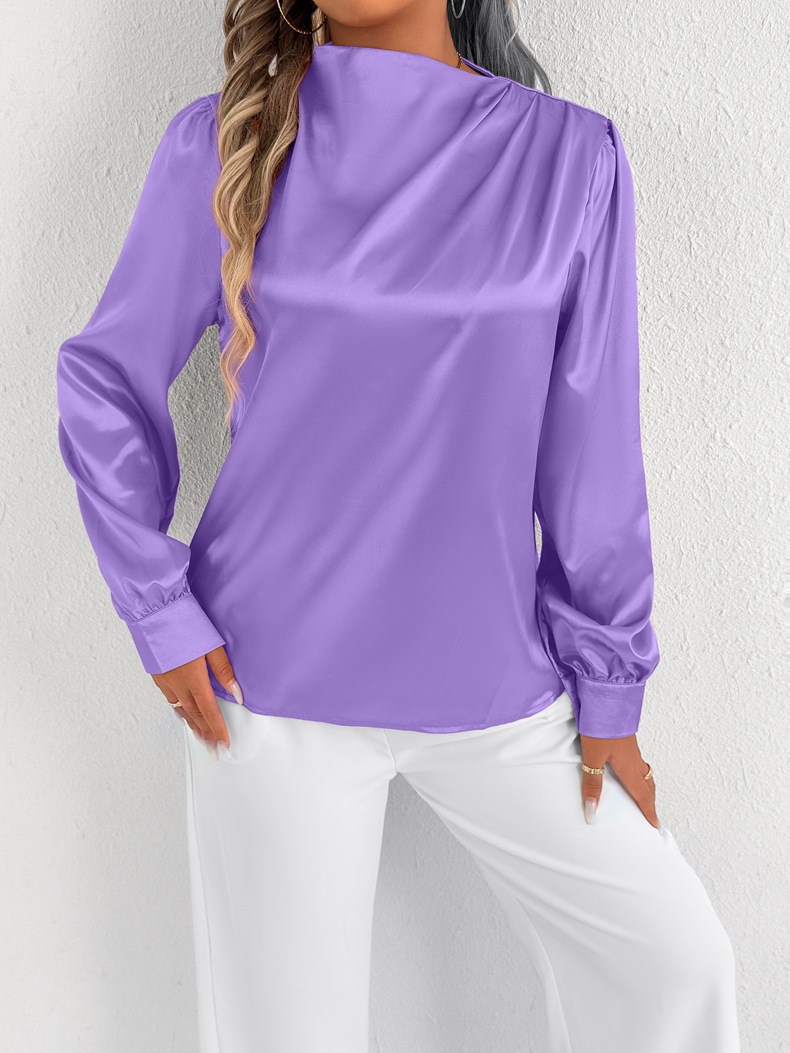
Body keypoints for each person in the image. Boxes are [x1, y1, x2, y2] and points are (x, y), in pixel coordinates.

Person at [55, 0, 742, 1050]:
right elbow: (105, 378)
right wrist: (159, 608)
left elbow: (593, 447)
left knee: (676, 966)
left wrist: (610, 687)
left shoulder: (569, 159)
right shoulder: (223, 142)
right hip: (266, 682)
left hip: (498, 685)